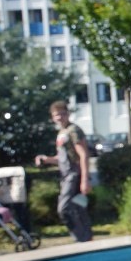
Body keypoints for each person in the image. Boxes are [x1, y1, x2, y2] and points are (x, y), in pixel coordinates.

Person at [33, 100, 92, 242]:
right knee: (78, 207)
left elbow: (83, 154)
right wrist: (47, 159)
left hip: (74, 174)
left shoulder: (73, 130)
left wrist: (85, 179)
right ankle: (86, 239)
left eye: (62, 114)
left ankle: (81, 238)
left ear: (68, 114)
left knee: (64, 208)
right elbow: (62, 158)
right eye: (56, 115)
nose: (59, 117)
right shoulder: (61, 132)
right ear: (52, 117)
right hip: (65, 175)